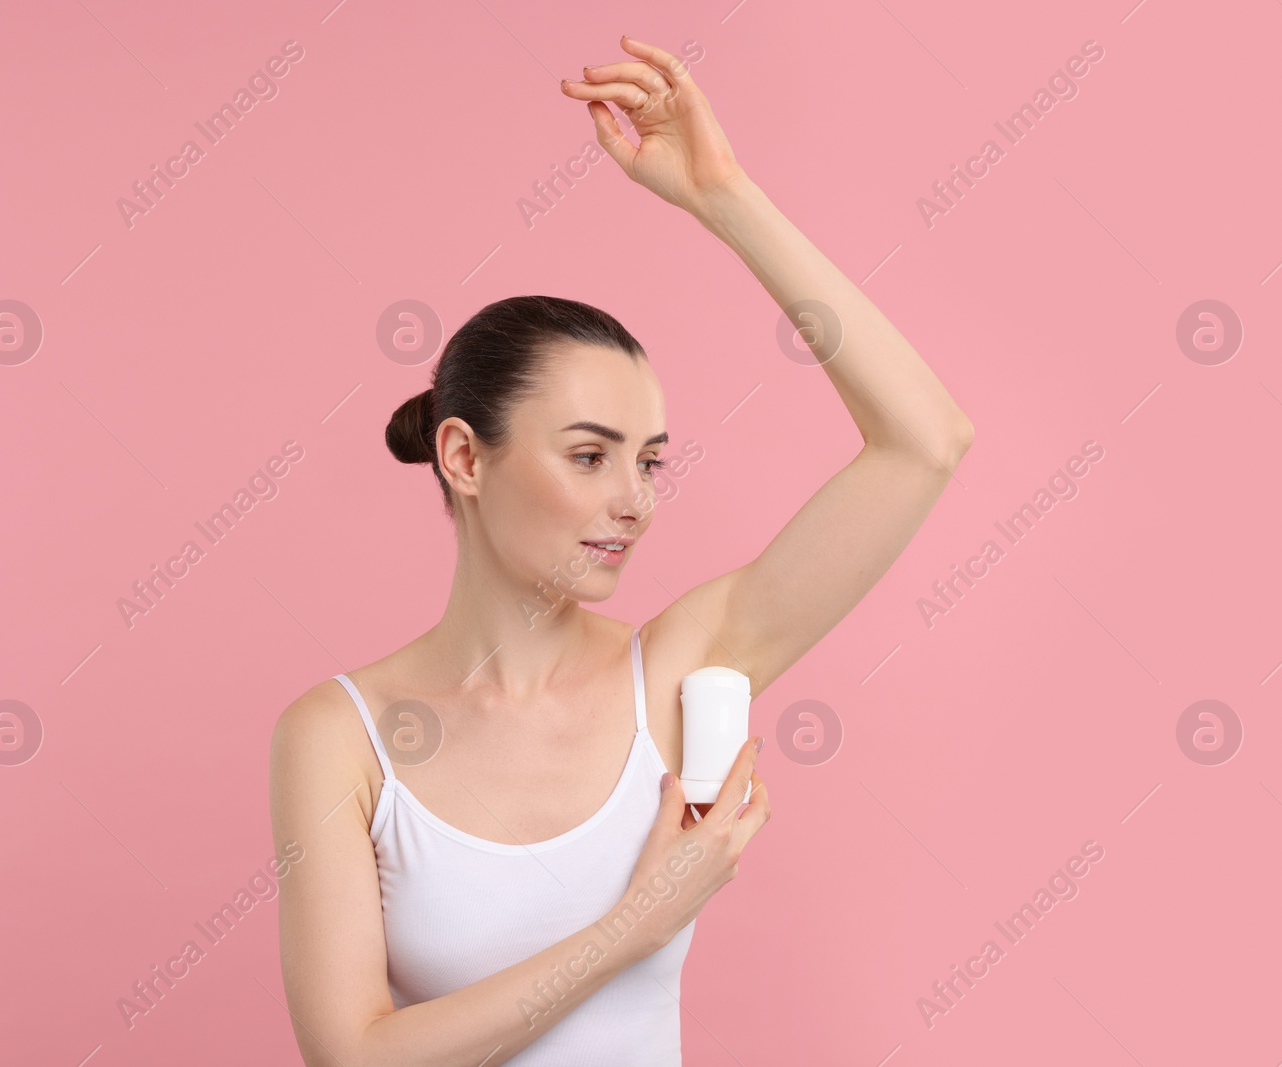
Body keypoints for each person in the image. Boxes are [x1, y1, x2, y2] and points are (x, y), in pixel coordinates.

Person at [269, 34, 973, 1066]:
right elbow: (352, 1055)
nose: (634, 501)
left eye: (648, 461)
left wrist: (721, 194)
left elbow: (926, 439)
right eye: (590, 456)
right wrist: (637, 922)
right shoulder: (340, 734)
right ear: (464, 456)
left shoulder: (681, 667)